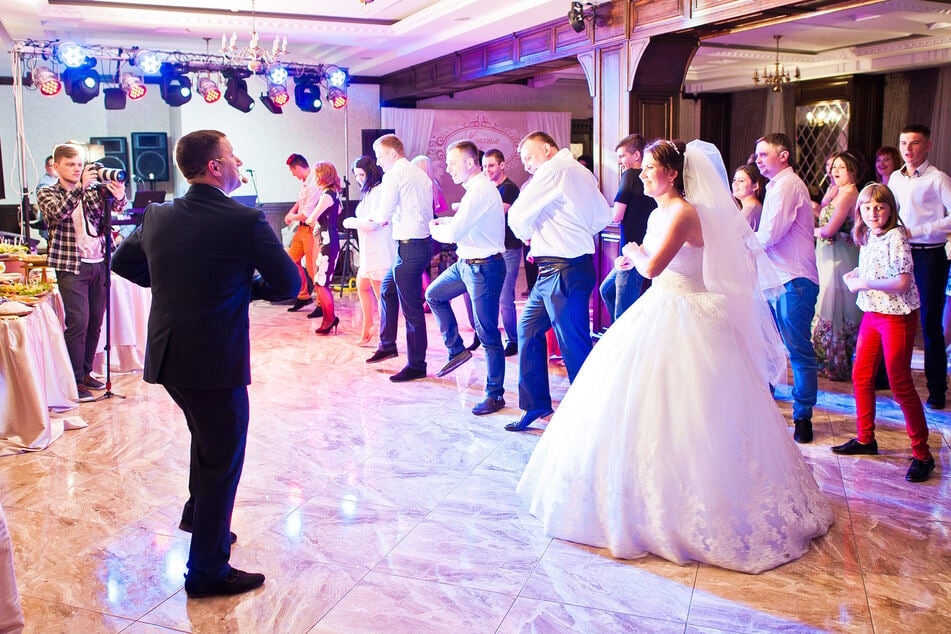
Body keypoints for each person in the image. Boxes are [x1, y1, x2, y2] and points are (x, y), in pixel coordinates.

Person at [517, 139, 833, 573]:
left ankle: (694, 507)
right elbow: (653, 261)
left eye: (650, 168)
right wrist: (635, 258)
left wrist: (630, 253)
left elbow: (653, 267)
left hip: (687, 312)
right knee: (641, 407)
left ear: (673, 173)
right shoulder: (662, 211)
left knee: (692, 411)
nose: (642, 174)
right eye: (643, 167)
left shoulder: (684, 212)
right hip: (663, 307)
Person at [111, 129, 298, 598]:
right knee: (222, 458)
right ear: (215, 166)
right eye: (232, 155)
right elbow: (288, 284)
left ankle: (200, 518)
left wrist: (175, 283)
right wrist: (244, 287)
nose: (238, 162)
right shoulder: (246, 220)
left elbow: (122, 261)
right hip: (214, 361)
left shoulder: (157, 215)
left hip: (170, 356)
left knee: (207, 438)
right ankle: (207, 571)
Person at [505, 131, 611, 432]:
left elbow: (517, 215)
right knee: (528, 330)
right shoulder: (580, 171)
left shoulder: (555, 169)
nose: (526, 165)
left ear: (549, 149)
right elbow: (601, 218)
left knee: (573, 344)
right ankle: (535, 406)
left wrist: (529, 231)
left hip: (562, 270)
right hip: (560, 269)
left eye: (529, 157)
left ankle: (592, 416)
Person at [836, 183, 935, 482]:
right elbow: (873, 272)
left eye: (879, 207)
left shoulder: (897, 236)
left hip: (897, 316)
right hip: (872, 313)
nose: (873, 213)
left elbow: (902, 282)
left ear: (890, 209)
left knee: (899, 381)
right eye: (867, 208)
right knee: (861, 375)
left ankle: (923, 454)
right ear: (860, 211)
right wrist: (856, 276)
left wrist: (863, 283)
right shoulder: (866, 235)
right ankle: (866, 439)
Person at [37, 143, 128, 402]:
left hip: (99, 261)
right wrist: (80, 188)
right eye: (70, 165)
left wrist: (118, 194)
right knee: (79, 322)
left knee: (96, 323)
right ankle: (73, 380)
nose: (77, 169)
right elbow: (58, 212)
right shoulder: (47, 192)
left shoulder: (91, 190)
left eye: (79, 165)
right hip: (70, 266)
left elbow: (116, 210)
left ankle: (86, 372)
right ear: (56, 167)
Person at [425, 141, 507, 415]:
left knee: (488, 334)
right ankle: (457, 350)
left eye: (452, 163)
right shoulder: (476, 189)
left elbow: (454, 234)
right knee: (434, 294)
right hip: (467, 264)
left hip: (484, 267)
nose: (448, 170)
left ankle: (495, 394)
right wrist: (446, 223)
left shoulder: (480, 191)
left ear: (470, 163)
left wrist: (433, 228)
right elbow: (464, 227)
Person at [754, 132, 820, 444]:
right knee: (768, 344)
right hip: (774, 279)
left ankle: (803, 415)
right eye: (757, 155)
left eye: (764, 154)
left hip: (794, 278)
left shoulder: (788, 185)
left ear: (784, 155)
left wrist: (736, 245)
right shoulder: (775, 187)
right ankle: (766, 411)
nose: (758, 160)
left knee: (798, 349)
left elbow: (770, 234)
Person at [887, 123, 951, 409]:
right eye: (903, 143)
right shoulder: (894, 179)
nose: (908, 149)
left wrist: (919, 229)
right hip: (901, 253)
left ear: (927, 145)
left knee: (929, 323)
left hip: (930, 255)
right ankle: (888, 379)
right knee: (893, 314)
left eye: (914, 143)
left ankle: (937, 388)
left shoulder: (938, 179)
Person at [366, 134, 434, 382]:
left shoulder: (394, 174)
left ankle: (417, 365)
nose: (378, 161)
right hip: (420, 244)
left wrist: (362, 220)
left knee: (412, 310)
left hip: (410, 247)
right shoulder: (420, 174)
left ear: (392, 154)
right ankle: (387, 344)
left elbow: (383, 213)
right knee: (387, 290)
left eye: (380, 155)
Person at [812, 151, 862, 380]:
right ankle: (826, 360)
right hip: (828, 254)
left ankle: (838, 363)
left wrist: (806, 231)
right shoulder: (837, 192)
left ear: (853, 171)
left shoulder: (849, 193)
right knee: (826, 302)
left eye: (841, 167)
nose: (835, 171)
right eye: (834, 167)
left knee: (836, 305)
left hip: (841, 258)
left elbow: (830, 230)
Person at [598, 133, 657, 323]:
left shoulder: (631, 175)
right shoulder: (651, 184)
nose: (619, 161)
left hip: (634, 252)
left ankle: (626, 347)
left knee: (623, 312)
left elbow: (617, 215)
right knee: (607, 291)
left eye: (622, 156)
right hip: (645, 248)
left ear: (637, 155)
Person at [343, 156, 394, 345]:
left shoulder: (380, 192)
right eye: (356, 175)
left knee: (382, 297)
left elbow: (373, 224)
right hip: (368, 249)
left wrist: (351, 222)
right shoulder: (369, 192)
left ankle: (385, 337)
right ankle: (368, 328)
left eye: (362, 174)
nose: (358, 179)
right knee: (362, 287)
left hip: (378, 249)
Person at [482, 148, 522, 356]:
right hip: (494, 248)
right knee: (491, 296)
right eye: (484, 166)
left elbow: (496, 213)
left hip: (509, 248)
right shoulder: (489, 189)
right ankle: (489, 337)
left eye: (491, 165)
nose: (487, 170)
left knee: (505, 296)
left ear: (502, 165)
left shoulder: (509, 188)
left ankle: (513, 340)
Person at [305, 162, 342, 335]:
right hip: (328, 237)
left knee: (321, 283)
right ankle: (328, 318)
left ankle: (329, 319)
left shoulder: (327, 195)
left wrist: (312, 218)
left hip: (326, 239)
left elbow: (312, 218)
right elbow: (339, 211)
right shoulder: (334, 193)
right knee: (321, 282)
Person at [282, 153, 321, 315]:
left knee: (313, 268)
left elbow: (307, 213)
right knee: (292, 261)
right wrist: (291, 212)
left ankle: (321, 303)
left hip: (311, 229)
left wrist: (293, 216)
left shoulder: (315, 183)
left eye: (292, 171)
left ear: (298, 167)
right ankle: (303, 295)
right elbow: (300, 202)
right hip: (301, 229)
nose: (292, 174)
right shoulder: (305, 182)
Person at [732, 162, 766, 230]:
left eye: (741, 181)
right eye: (734, 180)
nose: (735, 183)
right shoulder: (754, 207)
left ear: (755, 186)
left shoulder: (749, 211)